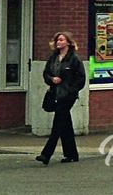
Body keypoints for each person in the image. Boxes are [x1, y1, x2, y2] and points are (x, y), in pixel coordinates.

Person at [36, 31, 86, 165]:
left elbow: (81, 79)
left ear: (68, 42)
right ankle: (71, 154)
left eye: (62, 40)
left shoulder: (74, 59)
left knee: (57, 125)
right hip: (55, 93)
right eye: (57, 40)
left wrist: (71, 90)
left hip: (67, 96)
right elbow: (46, 73)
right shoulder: (53, 58)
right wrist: (52, 79)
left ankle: (46, 154)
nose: (59, 42)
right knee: (65, 125)